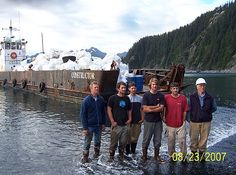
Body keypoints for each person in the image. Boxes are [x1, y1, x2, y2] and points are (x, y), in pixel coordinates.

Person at [189, 78, 217, 160]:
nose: (202, 87)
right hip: (194, 122)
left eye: (204, 85)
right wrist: (190, 118)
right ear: (196, 86)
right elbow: (188, 109)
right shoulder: (191, 97)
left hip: (206, 122)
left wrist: (206, 114)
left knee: (204, 139)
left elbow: (214, 108)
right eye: (200, 85)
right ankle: (194, 154)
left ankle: (201, 154)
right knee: (193, 138)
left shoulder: (210, 97)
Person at [80, 81, 106, 163]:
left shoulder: (101, 99)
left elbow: (103, 112)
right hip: (89, 126)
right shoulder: (86, 101)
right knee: (87, 142)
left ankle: (96, 156)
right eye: (95, 87)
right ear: (91, 89)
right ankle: (85, 158)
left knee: (98, 142)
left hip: (98, 126)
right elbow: (82, 115)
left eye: (98, 87)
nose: (97, 89)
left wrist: (103, 123)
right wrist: (85, 128)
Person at [142, 78, 165, 163]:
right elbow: (144, 109)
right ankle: (144, 156)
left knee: (158, 139)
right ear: (150, 86)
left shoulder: (161, 96)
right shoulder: (146, 95)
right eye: (153, 84)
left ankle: (156, 155)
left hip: (158, 121)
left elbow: (161, 108)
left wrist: (150, 109)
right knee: (146, 139)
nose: (155, 86)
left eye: (156, 84)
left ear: (157, 86)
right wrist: (155, 107)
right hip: (148, 121)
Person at [163, 82, 189, 161]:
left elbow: (185, 110)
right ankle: (172, 156)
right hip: (169, 124)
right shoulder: (166, 97)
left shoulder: (183, 98)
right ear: (171, 89)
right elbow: (164, 108)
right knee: (171, 142)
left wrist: (183, 120)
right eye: (173, 88)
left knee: (182, 140)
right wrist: (163, 116)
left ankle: (184, 156)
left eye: (177, 88)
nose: (175, 90)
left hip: (181, 124)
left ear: (179, 89)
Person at [107, 81, 132, 161]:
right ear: (118, 89)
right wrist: (112, 121)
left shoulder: (127, 98)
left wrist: (130, 119)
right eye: (122, 88)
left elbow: (129, 109)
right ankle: (111, 157)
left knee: (123, 143)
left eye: (125, 88)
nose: (124, 89)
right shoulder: (112, 98)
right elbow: (109, 109)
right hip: (116, 125)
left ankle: (121, 156)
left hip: (124, 125)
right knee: (113, 143)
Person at [125, 82, 144, 155]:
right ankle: (127, 152)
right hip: (128, 121)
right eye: (132, 88)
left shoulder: (140, 98)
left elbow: (142, 109)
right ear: (129, 89)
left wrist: (142, 119)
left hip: (137, 120)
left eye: (134, 88)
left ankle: (133, 151)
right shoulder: (127, 98)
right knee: (127, 138)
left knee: (135, 137)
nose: (133, 89)